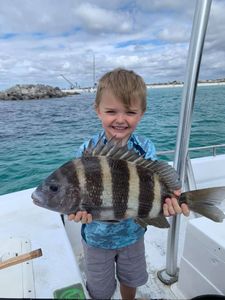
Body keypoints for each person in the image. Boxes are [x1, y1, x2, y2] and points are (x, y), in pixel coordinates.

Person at [68, 68, 189, 300]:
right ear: (98, 111)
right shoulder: (86, 152)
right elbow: (78, 195)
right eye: (111, 111)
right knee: (99, 290)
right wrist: (76, 211)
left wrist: (172, 200)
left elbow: (156, 187)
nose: (120, 119)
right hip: (96, 240)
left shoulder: (145, 148)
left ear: (141, 113)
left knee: (130, 280)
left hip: (133, 235)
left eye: (130, 112)